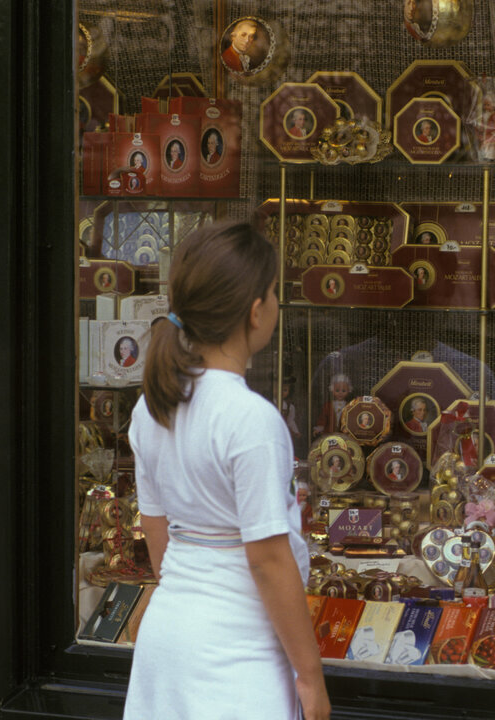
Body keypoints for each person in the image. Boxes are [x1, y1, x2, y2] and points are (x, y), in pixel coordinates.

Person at [124, 221, 330, 720]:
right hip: (236, 652)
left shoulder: (151, 406)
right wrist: (311, 675)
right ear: (256, 310)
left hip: (170, 637)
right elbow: (268, 559)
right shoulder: (251, 419)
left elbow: (157, 529)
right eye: (275, 291)